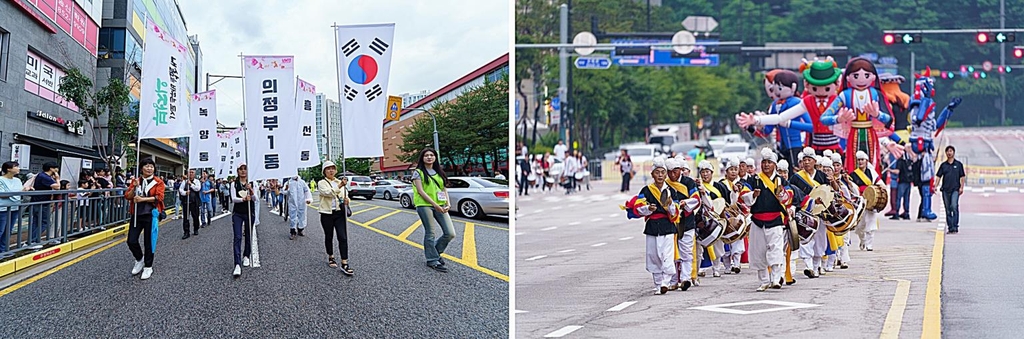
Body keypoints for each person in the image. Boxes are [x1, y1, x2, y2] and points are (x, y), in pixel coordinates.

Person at [623, 156, 682, 295]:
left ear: (666, 174)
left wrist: (670, 206)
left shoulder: (671, 191)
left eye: (662, 172)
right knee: (654, 255)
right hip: (652, 227)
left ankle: (665, 282)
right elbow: (638, 206)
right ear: (652, 174)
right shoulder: (646, 190)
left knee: (667, 255)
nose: (660, 175)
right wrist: (648, 208)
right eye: (657, 172)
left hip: (667, 226)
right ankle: (658, 284)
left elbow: (676, 212)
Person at [739, 148, 794, 291]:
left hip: (775, 219)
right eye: (764, 162)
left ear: (774, 164)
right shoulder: (754, 179)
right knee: (758, 251)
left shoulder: (781, 180)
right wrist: (753, 194)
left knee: (775, 250)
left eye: (769, 162)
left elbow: (788, 198)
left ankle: (776, 278)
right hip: (757, 220)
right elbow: (743, 195)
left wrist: (781, 193)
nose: (766, 165)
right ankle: (764, 280)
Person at [412, 148, 457, 273]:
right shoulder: (418, 172)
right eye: (426, 155)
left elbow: (443, 189)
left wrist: (448, 203)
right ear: (422, 158)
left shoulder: (439, 172)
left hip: (441, 204)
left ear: (435, 157)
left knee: (450, 233)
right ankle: (432, 260)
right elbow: (420, 191)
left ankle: (435, 253)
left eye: (432, 155)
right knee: (430, 233)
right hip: (424, 205)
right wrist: (434, 204)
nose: (429, 157)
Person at [124, 158, 165, 280]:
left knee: (149, 242)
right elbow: (128, 196)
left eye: (151, 166)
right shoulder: (136, 181)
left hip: (150, 215)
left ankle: (148, 266)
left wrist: (143, 199)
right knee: (131, 240)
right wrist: (133, 188)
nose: (149, 168)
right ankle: (139, 259)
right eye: (146, 166)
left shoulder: (158, 182)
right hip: (136, 214)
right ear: (141, 168)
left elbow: (159, 197)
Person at [317, 161, 354, 276]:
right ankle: (331, 256)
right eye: (328, 169)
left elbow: (345, 196)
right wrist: (339, 186)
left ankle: (345, 263)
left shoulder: (340, 182)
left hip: (339, 213)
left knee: (343, 237)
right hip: (326, 213)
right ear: (324, 171)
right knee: (329, 236)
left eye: (333, 168)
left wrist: (348, 201)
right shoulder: (322, 183)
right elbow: (327, 193)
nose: (331, 170)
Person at [850, 151, 885, 251]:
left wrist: (879, 189)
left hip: (871, 201)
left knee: (871, 223)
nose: (860, 162)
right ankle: (863, 240)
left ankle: (869, 244)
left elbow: (880, 183)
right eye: (859, 160)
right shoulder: (853, 174)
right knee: (860, 226)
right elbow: (853, 189)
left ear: (866, 161)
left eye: (862, 160)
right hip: (860, 201)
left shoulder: (872, 173)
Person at [230, 164, 256, 277]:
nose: (243, 171)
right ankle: (237, 264)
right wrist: (243, 199)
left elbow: (255, 199)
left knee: (248, 235)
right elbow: (233, 199)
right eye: (241, 169)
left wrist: (251, 190)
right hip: (238, 213)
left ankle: (246, 255)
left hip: (249, 212)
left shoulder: (253, 182)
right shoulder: (234, 184)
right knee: (238, 237)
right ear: (237, 171)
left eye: (245, 169)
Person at [936, 146, 965, 234]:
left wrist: (961, 187)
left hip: (955, 189)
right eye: (948, 151)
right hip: (945, 189)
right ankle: (950, 227)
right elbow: (938, 176)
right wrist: (935, 186)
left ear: (953, 152)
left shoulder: (958, 164)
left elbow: (962, 177)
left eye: (951, 151)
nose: (949, 153)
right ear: (946, 153)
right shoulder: (943, 165)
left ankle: (955, 226)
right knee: (947, 209)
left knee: (954, 206)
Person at [30, 162, 61, 245]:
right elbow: (58, 187)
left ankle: (32, 240)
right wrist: (57, 178)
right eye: (56, 168)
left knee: (36, 222)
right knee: (45, 222)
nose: (57, 170)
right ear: (51, 168)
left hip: (37, 201)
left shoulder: (42, 175)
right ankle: (33, 240)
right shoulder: (45, 177)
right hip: (42, 202)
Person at [0, 161, 25, 254]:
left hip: (15, 207)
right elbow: (3, 194)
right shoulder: (1, 179)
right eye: (16, 166)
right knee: (1, 230)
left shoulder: (17, 180)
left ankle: (3, 250)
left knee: (8, 230)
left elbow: (20, 192)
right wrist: (18, 191)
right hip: (2, 208)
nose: (18, 168)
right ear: (8, 169)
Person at [284, 176, 312, 240]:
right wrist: (286, 189)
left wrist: (308, 199)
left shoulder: (302, 182)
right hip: (292, 203)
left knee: (302, 216)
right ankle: (293, 232)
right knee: (292, 217)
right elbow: (284, 192)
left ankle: (300, 230)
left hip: (301, 203)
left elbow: (306, 191)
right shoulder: (288, 183)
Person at [890, 144, 914, 220]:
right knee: (907, 198)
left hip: (902, 181)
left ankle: (896, 213)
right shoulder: (910, 160)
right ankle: (906, 213)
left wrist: (889, 170)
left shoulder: (900, 161)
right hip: (909, 182)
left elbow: (897, 171)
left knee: (899, 198)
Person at [179, 169, 201, 239]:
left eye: (192, 172)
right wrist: (185, 193)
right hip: (186, 202)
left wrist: (191, 184)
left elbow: (198, 189)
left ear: (194, 174)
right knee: (186, 218)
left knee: (195, 217)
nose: (191, 174)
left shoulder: (197, 181)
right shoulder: (184, 181)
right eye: (190, 172)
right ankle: (186, 232)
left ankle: (196, 229)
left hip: (194, 203)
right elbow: (180, 189)